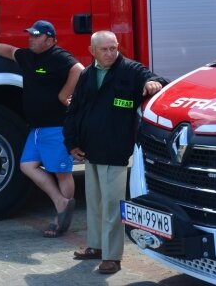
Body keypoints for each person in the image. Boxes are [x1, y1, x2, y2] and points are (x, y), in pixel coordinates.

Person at [63, 30, 166, 275]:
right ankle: (96, 247)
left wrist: (154, 83)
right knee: (95, 204)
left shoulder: (130, 70)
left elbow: (155, 78)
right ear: (92, 51)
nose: (110, 53)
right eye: (104, 49)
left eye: (113, 48)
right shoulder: (88, 74)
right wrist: (72, 143)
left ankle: (112, 257)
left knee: (111, 205)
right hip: (90, 150)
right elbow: (74, 111)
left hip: (115, 150)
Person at [0, 20, 84, 237]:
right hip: (37, 128)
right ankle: (62, 203)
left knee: (62, 173)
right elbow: (9, 51)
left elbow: (78, 69)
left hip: (56, 127)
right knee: (26, 166)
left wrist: (63, 95)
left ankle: (61, 217)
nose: (30, 38)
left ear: (49, 40)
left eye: (36, 35)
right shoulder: (28, 57)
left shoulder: (59, 56)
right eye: (30, 34)